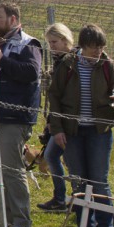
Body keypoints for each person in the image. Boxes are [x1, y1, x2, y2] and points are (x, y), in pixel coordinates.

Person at [49, 24, 114, 227]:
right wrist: (57, 129)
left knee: (99, 181)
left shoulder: (108, 65)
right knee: (78, 182)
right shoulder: (67, 65)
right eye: (94, 48)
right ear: (82, 46)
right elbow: (55, 96)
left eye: (101, 47)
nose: (98, 53)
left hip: (99, 131)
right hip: (73, 132)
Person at [0, 3, 43, 227]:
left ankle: (22, 224)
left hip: (15, 116)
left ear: (13, 19)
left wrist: (2, 60)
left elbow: (31, 72)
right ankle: (7, 217)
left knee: (13, 169)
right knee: (1, 168)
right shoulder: (1, 43)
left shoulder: (30, 44)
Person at [38, 23, 75, 212]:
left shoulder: (71, 60)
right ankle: (61, 198)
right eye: (49, 43)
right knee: (52, 156)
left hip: (69, 122)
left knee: (68, 161)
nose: (52, 46)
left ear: (65, 39)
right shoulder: (59, 60)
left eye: (54, 42)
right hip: (58, 120)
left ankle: (72, 200)